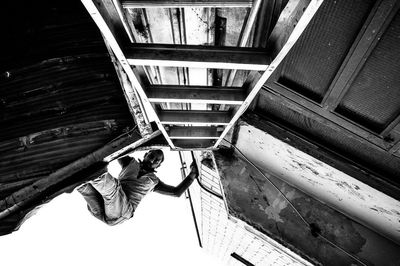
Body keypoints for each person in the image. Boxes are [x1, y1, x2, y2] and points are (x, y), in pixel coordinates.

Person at [77, 149, 198, 225]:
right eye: (151, 156)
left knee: (110, 188)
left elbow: (176, 192)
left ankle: (95, 173)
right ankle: (73, 173)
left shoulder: (154, 181)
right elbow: (119, 150)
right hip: (106, 209)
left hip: (122, 212)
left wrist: (191, 176)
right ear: (146, 154)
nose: (152, 161)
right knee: (83, 185)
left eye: (157, 161)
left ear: (159, 165)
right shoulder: (130, 162)